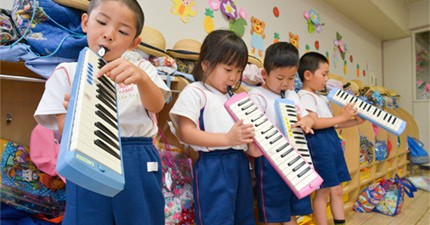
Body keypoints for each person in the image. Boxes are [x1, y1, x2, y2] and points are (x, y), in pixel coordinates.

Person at [34, 0, 170, 224]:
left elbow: (156, 106)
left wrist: (143, 80)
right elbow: (62, 130)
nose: (109, 35)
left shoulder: (143, 69)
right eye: (102, 22)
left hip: (137, 156)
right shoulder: (66, 73)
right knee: (88, 218)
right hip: (87, 154)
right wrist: (74, 113)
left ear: (134, 43)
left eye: (123, 31)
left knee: (142, 217)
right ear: (86, 22)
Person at [169, 29, 260, 225]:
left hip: (240, 163)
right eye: (228, 70)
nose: (234, 77)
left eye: (239, 71)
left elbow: (243, 136)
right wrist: (227, 139)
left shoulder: (234, 97)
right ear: (206, 64)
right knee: (217, 219)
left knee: (244, 217)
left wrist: (252, 145)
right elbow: (186, 133)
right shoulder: (195, 91)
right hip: (213, 165)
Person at [248, 42, 314, 225]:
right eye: (279, 78)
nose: (286, 83)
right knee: (274, 212)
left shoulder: (292, 95)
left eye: (291, 78)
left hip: (295, 159)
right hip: (271, 163)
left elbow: (308, 117)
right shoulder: (257, 96)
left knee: (291, 210)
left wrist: (307, 121)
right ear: (264, 74)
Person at [297, 52, 364, 225]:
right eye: (324, 74)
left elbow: (333, 124)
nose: (326, 79)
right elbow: (315, 123)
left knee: (337, 190)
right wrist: (342, 117)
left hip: (331, 142)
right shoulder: (305, 95)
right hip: (320, 145)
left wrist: (354, 121)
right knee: (323, 193)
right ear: (308, 75)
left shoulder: (320, 97)